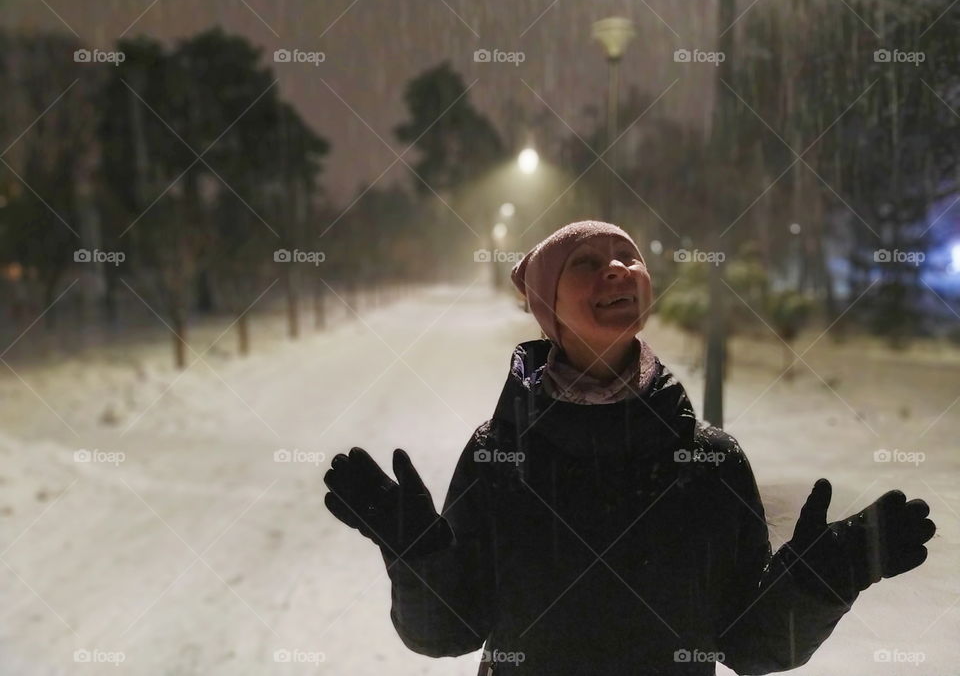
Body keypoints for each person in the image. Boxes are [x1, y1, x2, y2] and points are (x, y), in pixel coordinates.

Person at [323, 220, 936, 675]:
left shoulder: (709, 461)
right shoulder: (498, 455)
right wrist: (417, 555)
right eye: (586, 263)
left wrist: (824, 577)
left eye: (627, 258)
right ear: (548, 308)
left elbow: (751, 643)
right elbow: (449, 631)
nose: (616, 269)